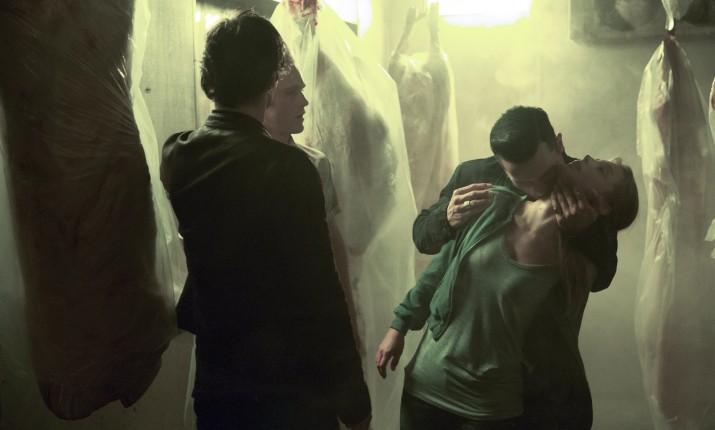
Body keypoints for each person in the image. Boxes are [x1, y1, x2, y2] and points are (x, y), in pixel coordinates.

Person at [160, 11, 371, 430]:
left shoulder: (178, 155)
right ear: (270, 84)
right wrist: (354, 402)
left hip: (218, 388)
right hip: (289, 393)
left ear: (209, 78)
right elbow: (321, 295)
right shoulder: (290, 168)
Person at [376, 150, 639, 429]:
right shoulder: (496, 201)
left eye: (603, 170)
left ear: (603, 206)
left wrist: (579, 234)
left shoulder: (579, 265)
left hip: (491, 408)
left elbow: (560, 349)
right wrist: (399, 324)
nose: (586, 157)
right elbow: (440, 267)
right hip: (425, 388)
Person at [412, 106, 618, 296]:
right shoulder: (474, 174)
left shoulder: (589, 181)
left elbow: (602, 279)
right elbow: (421, 237)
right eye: (523, 182)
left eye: (548, 175)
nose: (538, 190)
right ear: (500, 164)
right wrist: (446, 218)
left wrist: (581, 233)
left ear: (559, 144)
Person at [263, 65, 361, 349]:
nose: (304, 102)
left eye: (303, 91)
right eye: (291, 93)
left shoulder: (316, 163)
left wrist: (350, 310)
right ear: (264, 100)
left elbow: (332, 238)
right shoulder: (242, 165)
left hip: (310, 310)